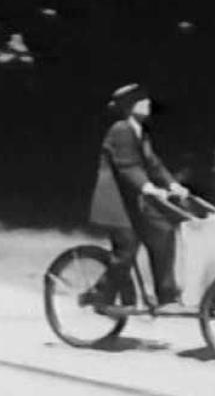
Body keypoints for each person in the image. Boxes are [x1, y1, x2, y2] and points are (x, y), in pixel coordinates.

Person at [83, 83, 192, 314]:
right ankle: (99, 294)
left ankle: (166, 296)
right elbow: (127, 166)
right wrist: (148, 187)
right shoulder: (121, 129)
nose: (148, 103)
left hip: (133, 201)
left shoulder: (140, 131)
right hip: (115, 203)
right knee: (127, 250)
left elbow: (153, 164)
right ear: (129, 106)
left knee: (163, 231)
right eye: (142, 100)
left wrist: (173, 184)